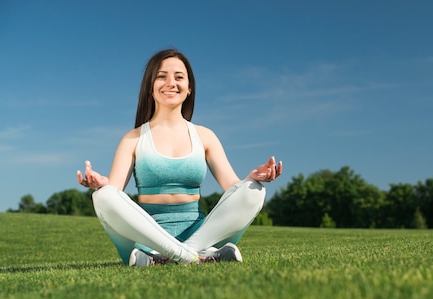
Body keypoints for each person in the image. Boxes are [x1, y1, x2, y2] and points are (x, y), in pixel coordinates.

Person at [77, 48, 282, 266]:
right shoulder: (133, 138)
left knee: (254, 191)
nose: (171, 83)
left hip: (201, 234)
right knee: (103, 196)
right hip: (145, 239)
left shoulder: (205, 136)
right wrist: (102, 185)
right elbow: (115, 193)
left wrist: (251, 178)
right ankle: (198, 257)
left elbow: (233, 190)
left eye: (179, 77)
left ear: (189, 88)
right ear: (150, 86)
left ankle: (181, 254)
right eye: (161, 76)